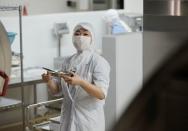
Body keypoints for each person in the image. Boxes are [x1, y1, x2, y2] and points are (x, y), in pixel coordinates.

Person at [42, 22, 110, 131]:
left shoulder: (98, 62)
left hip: (88, 121)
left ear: (92, 38)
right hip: (68, 119)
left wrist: (81, 82)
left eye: (85, 34)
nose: (80, 37)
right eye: (77, 33)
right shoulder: (68, 61)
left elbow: (101, 94)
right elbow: (57, 90)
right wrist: (49, 81)